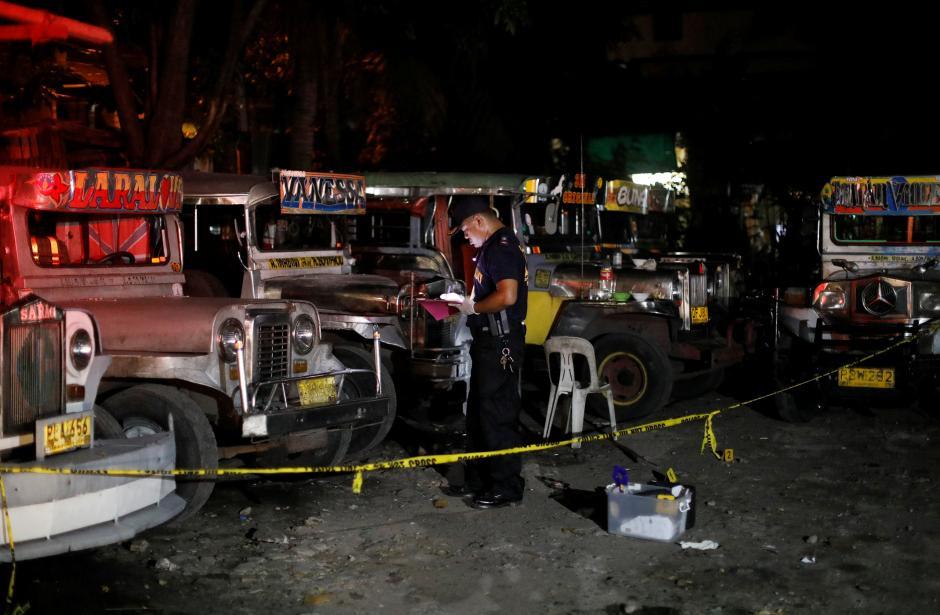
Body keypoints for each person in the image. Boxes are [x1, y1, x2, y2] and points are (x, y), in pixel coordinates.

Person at [446, 195, 528, 509]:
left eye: (466, 229)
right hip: (488, 339)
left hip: (501, 341)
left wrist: (474, 306)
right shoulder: (490, 248)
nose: (465, 236)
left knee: (498, 413)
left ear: (479, 222)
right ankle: (479, 480)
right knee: (480, 414)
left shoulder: (502, 247)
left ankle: (506, 486)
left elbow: (507, 296)